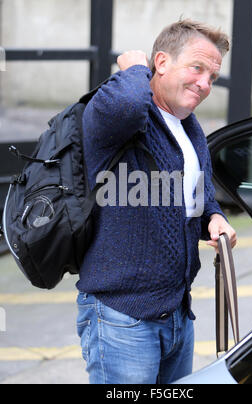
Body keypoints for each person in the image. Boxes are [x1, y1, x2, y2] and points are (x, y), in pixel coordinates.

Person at [76, 19, 237, 384]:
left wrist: (213, 216)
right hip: (122, 319)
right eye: (197, 68)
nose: (205, 84)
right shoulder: (118, 114)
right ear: (161, 63)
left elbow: (197, 194)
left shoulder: (189, 126)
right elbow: (127, 104)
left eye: (212, 77)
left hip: (177, 314)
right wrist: (134, 67)